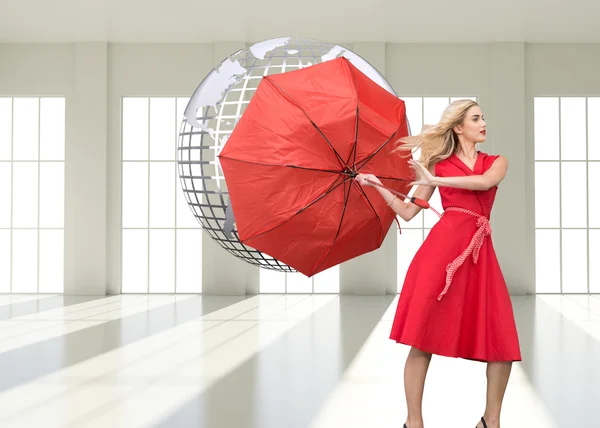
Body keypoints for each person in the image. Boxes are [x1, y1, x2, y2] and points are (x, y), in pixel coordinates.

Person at [356, 100, 521, 428]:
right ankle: (413, 422)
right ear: (459, 127)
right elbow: (406, 211)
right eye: (476, 118)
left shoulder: (495, 162)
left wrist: (437, 180)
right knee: (422, 338)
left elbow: (484, 184)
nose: (484, 123)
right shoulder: (437, 166)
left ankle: (491, 421)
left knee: (501, 340)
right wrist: (376, 186)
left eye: (483, 117)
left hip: (479, 255)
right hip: (439, 253)